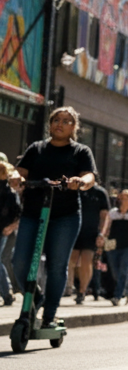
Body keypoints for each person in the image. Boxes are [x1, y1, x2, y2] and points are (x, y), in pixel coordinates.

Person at [9, 107, 98, 329]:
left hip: (65, 216)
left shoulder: (80, 151)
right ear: (50, 124)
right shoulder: (36, 148)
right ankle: (36, 297)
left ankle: (49, 314)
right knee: (19, 261)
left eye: (66, 121)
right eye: (56, 120)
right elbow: (20, 171)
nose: (60, 124)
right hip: (33, 213)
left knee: (57, 266)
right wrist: (15, 177)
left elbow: (89, 176)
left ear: (74, 127)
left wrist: (80, 182)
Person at [98, 190, 128, 306]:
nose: (124, 201)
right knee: (116, 271)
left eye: (126, 198)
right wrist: (101, 238)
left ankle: (117, 296)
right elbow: (106, 228)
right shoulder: (113, 213)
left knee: (124, 269)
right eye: (122, 198)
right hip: (113, 245)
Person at [71, 182, 108, 303]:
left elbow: (104, 216)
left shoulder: (99, 193)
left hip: (92, 231)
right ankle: (74, 285)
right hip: (74, 229)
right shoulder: (76, 190)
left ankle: (82, 291)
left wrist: (102, 234)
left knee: (86, 260)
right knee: (72, 260)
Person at [0, 153, 19, 305]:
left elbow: (19, 214)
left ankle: (7, 293)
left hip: (2, 231)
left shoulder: (10, 193)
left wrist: (11, 227)